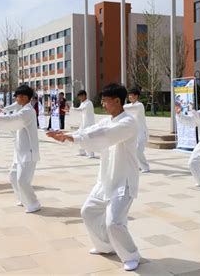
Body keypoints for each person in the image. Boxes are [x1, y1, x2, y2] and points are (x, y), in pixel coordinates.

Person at [46, 83, 141, 271]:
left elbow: (104, 135)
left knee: (114, 222)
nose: (103, 105)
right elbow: (90, 131)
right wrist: (69, 136)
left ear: (117, 101)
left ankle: (131, 255)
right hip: (106, 178)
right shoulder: (107, 121)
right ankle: (105, 246)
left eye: (106, 101)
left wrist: (71, 137)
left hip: (124, 181)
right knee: (88, 211)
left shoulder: (128, 122)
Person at [0, 85, 41, 213]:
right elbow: (11, 118)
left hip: (28, 152)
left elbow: (12, 120)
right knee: (13, 176)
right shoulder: (22, 109)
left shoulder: (28, 111)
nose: (16, 99)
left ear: (25, 97)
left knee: (22, 180)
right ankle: (23, 198)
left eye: (18, 97)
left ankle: (34, 203)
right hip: (19, 150)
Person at [123, 88, 150, 173]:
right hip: (134, 133)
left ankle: (146, 167)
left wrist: (118, 105)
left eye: (132, 95)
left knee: (138, 150)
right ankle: (138, 166)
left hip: (142, 133)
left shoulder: (139, 105)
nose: (130, 97)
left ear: (136, 96)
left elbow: (127, 108)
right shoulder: (129, 106)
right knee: (133, 150)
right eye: (129, 95)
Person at [69, 90, 95, 158]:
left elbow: (81, 110)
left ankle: (91, 153)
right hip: (83, 123)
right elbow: (79, 110)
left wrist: (71, 108)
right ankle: (82, 151)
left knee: (88, 138)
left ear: (84, 95)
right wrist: (71, 110)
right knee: (80, 136)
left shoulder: (88, 103)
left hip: (89, 124)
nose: (79, 98)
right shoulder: (83, 103)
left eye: (80, 97)